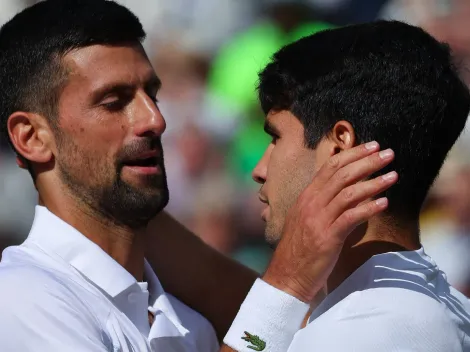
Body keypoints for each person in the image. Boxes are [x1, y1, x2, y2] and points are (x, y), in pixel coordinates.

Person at [0, 1, 395, 351]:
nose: (155, 119)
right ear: (31, 137)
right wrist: (288, 282)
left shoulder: (190, 326)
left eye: (151, 95)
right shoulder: (22, 298)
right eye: (114, 102)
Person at [154, 21, 470, 351]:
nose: (260, 170)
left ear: (339, 146)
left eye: (275, 137)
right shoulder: (445, 309)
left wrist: (286, 282)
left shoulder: (357, 333)